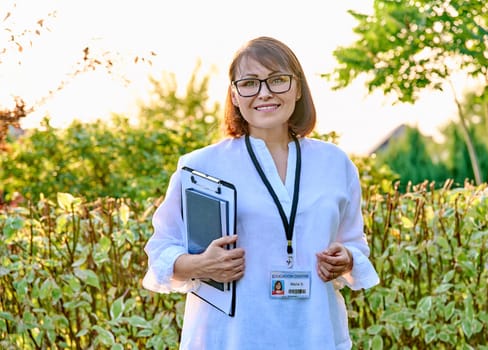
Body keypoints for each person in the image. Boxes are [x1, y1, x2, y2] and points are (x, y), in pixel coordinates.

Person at [143, 36, 379, 350]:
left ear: (298, 88)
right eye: (250, 83)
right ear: (235, 95)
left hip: (314, 331)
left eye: (277, 80)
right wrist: (199, 265)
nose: (264, 93)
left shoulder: (335, 163)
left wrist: (347, 259)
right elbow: (161, 250)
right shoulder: (200, 166)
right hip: (230, 337)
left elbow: (354, 244)